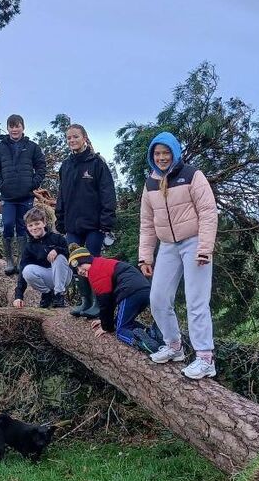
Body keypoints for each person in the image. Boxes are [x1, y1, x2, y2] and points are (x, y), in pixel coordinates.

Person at [138, 131, 219, 380]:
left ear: (174, 152)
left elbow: (208, 212)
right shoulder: (150, 182)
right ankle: (174, 346)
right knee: (158, 298)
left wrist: (205, 248)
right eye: (157, 153)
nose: (162, 157)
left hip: (194, 242)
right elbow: (147, 223)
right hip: (167, 246)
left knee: (196, 302)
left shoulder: (192, 175)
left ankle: (205, 358)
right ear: (152, 156)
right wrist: (145, 257)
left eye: (166, 152)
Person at [55, 123, 116, 317]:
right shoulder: (65, 166)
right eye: (69, 138)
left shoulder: (97, 163)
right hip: (73, 226)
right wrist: (60, 219)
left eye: (76, 137)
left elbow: (108, 194)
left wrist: (106, 221)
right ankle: (85, 302)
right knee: (76, 263)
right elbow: (61, 195)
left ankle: (99, 303)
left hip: (94, 226)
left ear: (84, 138)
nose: (72, 140)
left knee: (92, 262)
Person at [68, 244, 155, 350]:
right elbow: (110, 298)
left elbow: (105, 303)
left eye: (81, 266)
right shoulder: (102, 263)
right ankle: (152, 334)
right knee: (126, 322)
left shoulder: (96, 271)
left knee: (121, 330)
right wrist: (106, 320)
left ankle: (143, 344)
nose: (80, 271)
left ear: (88, 260)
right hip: (144, 290)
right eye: (77, 269)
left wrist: (106, 326)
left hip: (130, 292)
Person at [0, 114, 46, 275]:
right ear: (7, 129)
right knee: (7, 224)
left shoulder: (32, 147)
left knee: (24, 227)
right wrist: (0, 186)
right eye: (11, 126)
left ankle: (22, 260)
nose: (15, 129)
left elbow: (41, 166)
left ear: (23, 127)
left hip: (26, 197)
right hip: (7, 197)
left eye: (17, 126)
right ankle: (9, 260)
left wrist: (33, 184)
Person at [12, 206, 70, 309]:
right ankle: (47, 294)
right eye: (30, 225)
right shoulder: (29, 248)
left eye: (37, 223)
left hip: (64, 276)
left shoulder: (58, 238)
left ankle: (59, 295)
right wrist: (18, 296)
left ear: (44, 223)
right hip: (47, 277)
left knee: (59, 257)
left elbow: (70, 254)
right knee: (27, 270)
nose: (34, 228)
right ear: (27, 227)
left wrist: (57, 250)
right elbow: (22, 272)